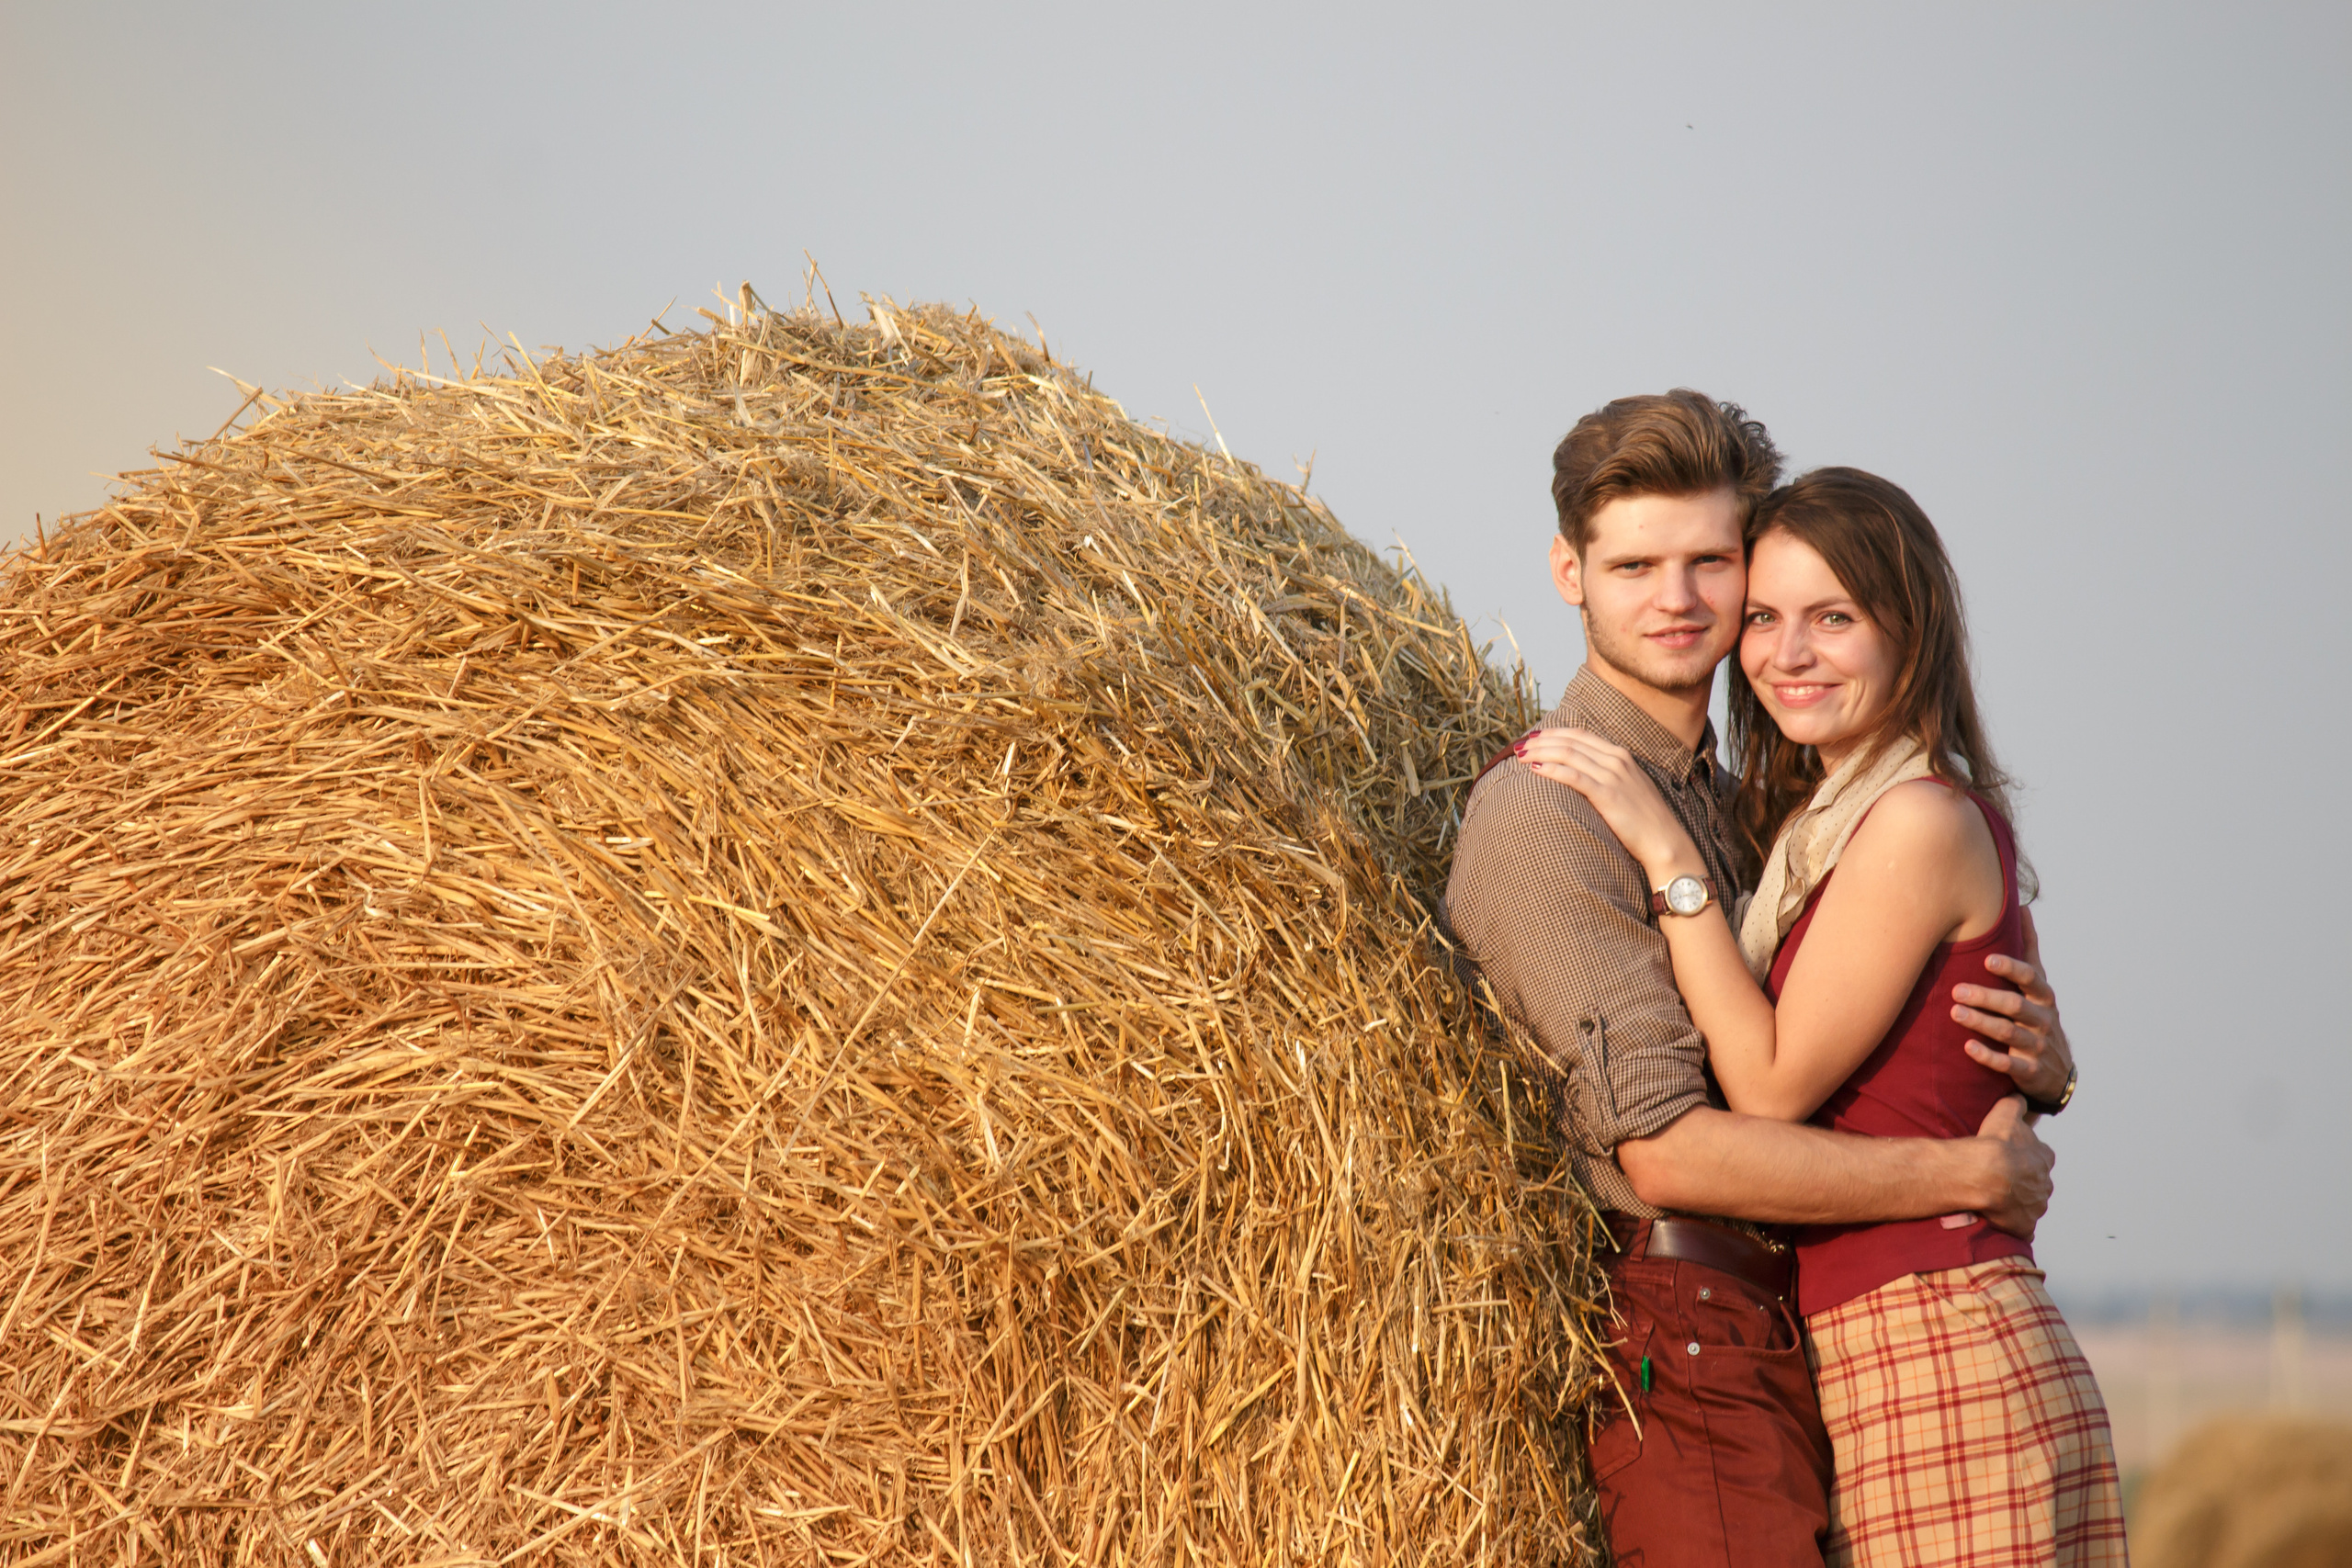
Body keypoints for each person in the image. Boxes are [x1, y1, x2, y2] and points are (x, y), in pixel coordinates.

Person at [1441, 392, 2076, 1568]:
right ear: (1568, 574)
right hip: (1690, 1341)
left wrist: (2040, 1071)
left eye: (1708, 562)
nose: (1676, 600)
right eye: (1634, 565)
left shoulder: (1751, 817)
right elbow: (1665, 1154)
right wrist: (1967, 1172)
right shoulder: (1552, 811)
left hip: (1802, 1334)